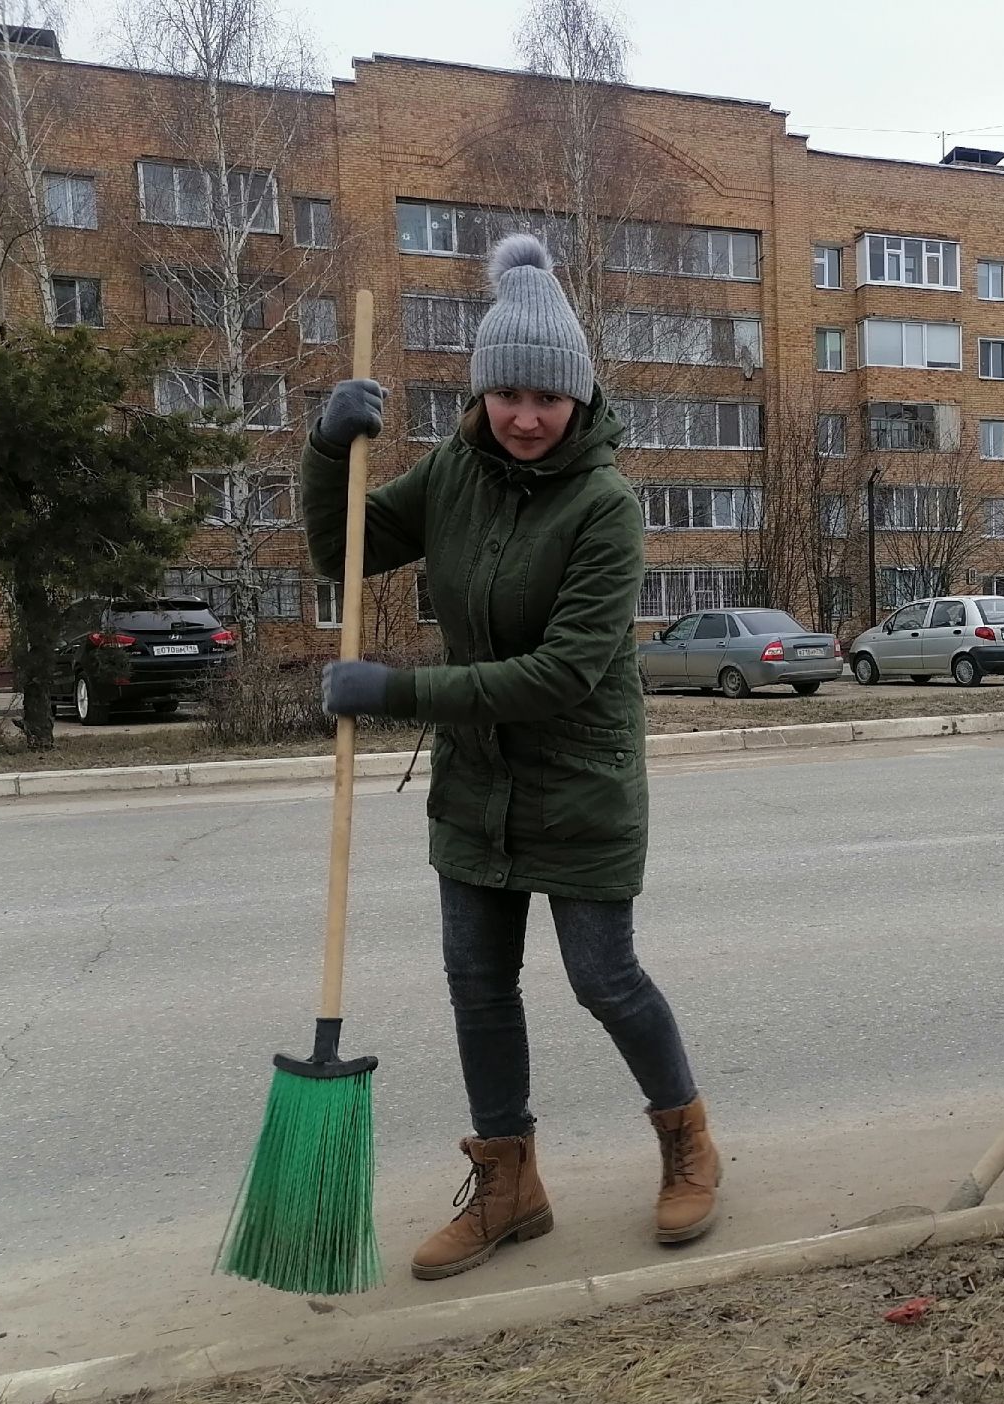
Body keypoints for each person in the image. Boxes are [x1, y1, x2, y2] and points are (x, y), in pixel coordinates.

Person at [303, 234, 721, 1279]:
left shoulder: (605, 506)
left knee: (604, 978)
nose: (526, 416)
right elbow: (340, 548)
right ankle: (509, 1187)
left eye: (547, 396)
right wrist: (325, 448)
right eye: (507, 395)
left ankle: (688, 1144)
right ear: (482, 393)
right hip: (475, 785)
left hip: (579, 777)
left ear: (578, 396)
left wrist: (397, 693)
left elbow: (559, 675)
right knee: (477, 985)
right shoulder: (453, 474)